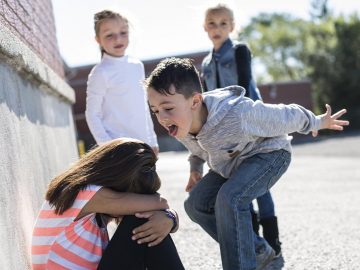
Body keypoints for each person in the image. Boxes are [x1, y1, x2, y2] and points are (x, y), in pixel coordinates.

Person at [145, 57, 349, 270]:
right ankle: (257, 250)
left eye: (167, 108)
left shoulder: (237, 113)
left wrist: (316, 122)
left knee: (230, 198)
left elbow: (285, 115)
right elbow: (197, 149)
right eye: (155, 110)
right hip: (231, 164)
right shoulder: (180, 123)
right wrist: (195, 169)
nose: (162, 117)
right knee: (195, 204)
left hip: (269, 155)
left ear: (195, 102)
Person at [201, 3, 281, 256]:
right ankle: (256, 245)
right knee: (239, 185)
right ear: (205, 27)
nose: (217, 28)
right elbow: (207, 99)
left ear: (232, 27)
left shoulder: (239, 51)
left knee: (260, 186)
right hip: (224, 133)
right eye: (212, 23)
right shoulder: (205, 63)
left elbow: (245, 86)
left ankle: (273, 243)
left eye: (223, 23)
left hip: (251, 125)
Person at [31, 138, 185, 270]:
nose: (131, 204)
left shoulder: (85, 195)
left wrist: (170, 218)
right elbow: (160, 203)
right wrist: (169, 216)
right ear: (117, 180)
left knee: (149, 223)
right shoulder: (84, 192)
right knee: (141, 219)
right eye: (132, 196)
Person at [85, 10, 159, 154]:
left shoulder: (137, 66)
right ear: (98, 40)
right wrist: (108, 146)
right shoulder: (100, 72)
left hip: (144, 145)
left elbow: (143, 107)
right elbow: (92, 114)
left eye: (123, 33)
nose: (118, 39)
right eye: (109, 35)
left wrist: (152, 140)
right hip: (119, 149)